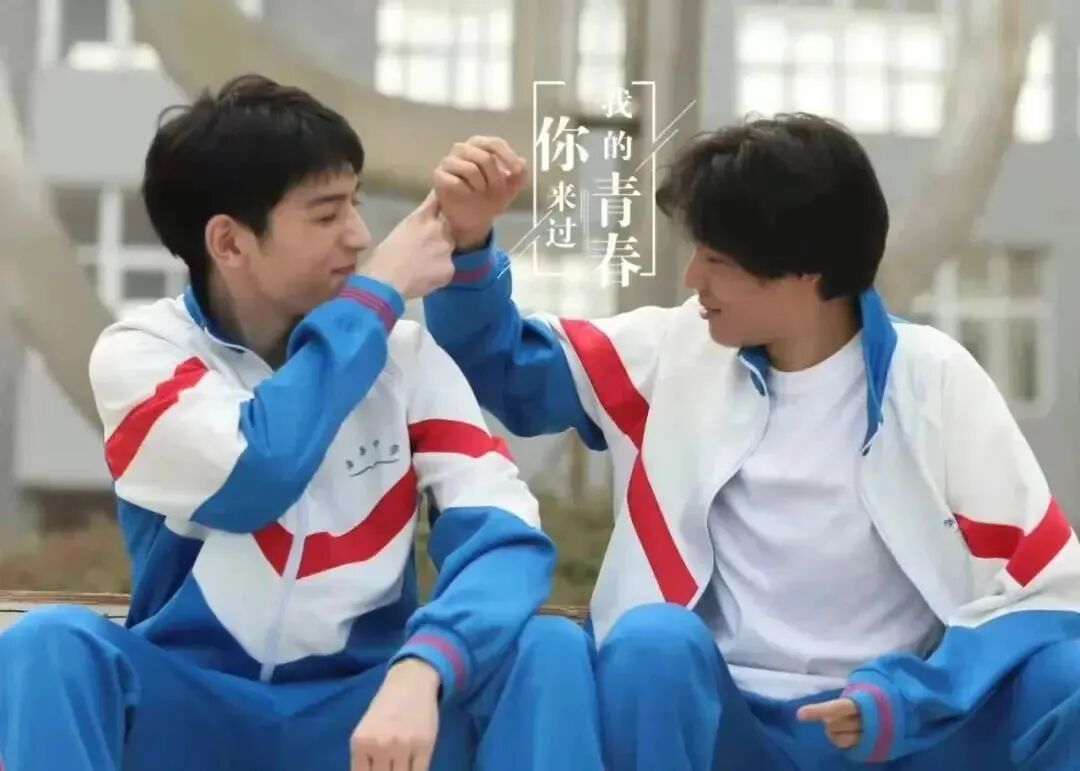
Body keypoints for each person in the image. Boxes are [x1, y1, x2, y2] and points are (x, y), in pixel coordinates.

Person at [423, 115, 1080, 770]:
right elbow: (502, 362)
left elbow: (1046, 587)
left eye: (717, 261)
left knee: (1067, 674)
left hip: (892, 730)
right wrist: (470, 240)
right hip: (720, 724)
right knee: (651, 641)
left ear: (806, 270)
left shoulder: (933, 379)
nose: (692, 278)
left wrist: (906, 699)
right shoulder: (673, 353)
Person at [0, 75, 603, 771]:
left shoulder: (404, 358)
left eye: (355, 204)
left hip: (365, 719)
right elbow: (257, 471)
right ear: (229, 243)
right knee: (47, 645)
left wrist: (424, 666)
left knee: (545, 649)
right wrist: (377, 294)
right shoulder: (143, 356)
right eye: (326, 215)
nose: (362, 236)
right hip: (192, 715)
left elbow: (505, 537)